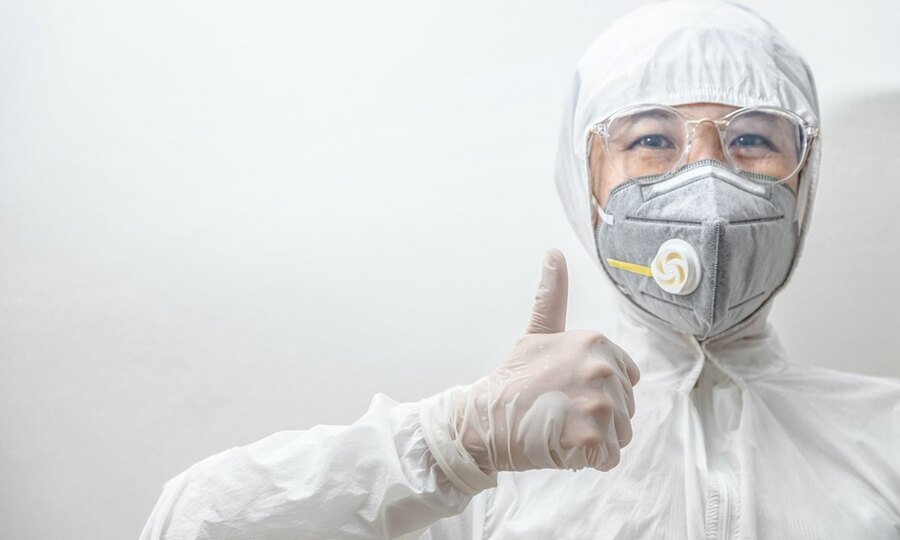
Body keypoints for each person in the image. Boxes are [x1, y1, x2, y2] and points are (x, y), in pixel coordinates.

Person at [140, 1, 900, 538]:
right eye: (652, 141)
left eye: (753, 140)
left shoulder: (885, 439)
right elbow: (190, 524)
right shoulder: (500, 463)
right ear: (584, 182)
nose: (706, 180)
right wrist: (457, 442)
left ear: (804, 181)